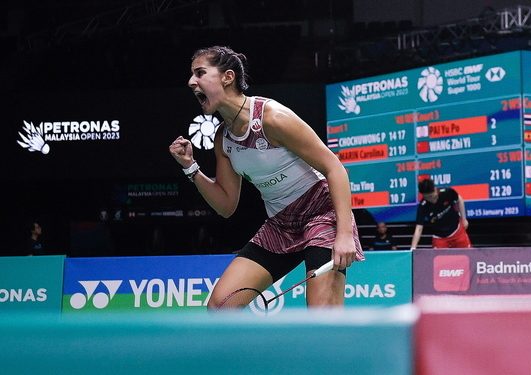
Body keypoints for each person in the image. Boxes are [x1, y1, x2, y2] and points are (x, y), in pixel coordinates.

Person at [169, 46, 363, 310]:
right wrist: (191, 168)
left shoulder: (272, 118)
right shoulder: (223, 139)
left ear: (227, 77)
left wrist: (343, 235)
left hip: (322, 212)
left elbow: (335, 168)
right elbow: (226, 205)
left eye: (200, 73)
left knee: (323, 316)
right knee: (220, 305)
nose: (191, 82)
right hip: (281, 223)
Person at [410, 179, 471, 249]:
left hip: (457, 232)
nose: (432, 199)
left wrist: (464, 219)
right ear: (423, 195)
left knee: (467, 256)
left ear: (435, 189)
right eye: (428, 197)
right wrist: (413, 248)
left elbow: (459, 199)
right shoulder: (423, 206)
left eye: (432, 196)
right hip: (439, 238)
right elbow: (419, 228)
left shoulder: (447, 192)